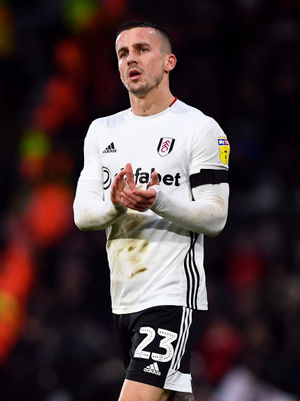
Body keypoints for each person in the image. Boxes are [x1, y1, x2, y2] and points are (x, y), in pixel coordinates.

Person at [73, 20, 230, 401]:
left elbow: (215, 217)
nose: (131, 59)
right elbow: (81, 214)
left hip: (172, 294)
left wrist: (158, 199)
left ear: (169, 61)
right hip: (124, 296)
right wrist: (115, 205)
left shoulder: (200, 128)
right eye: (123, 53)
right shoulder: (101, 131)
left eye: (142, 50)